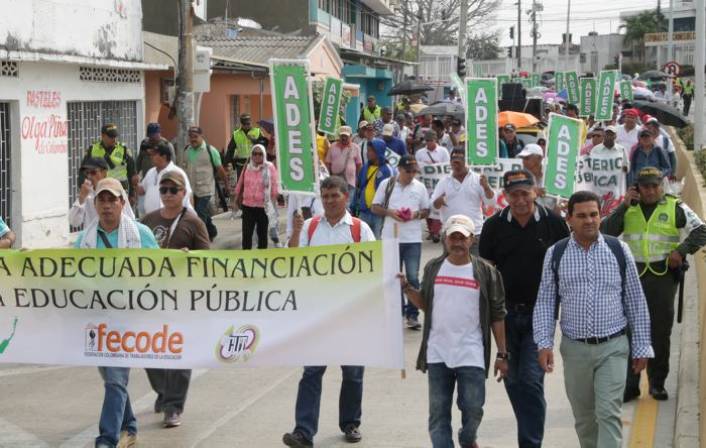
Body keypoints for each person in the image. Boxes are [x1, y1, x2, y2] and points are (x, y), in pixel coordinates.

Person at [533, 191, 654, 448]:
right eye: (582, 216)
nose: (589, 220)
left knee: (608, 413)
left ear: (601, 216)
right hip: (575, 350)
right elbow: (545, 301)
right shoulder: (556, 254)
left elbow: (635, 300)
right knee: (585, 420)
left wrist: (642, 346)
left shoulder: (618, 250)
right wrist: (544, 343)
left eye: (594, 214)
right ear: (569, 219)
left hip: (613, 348)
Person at [479, 169, 569, 448]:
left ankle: (530, 443)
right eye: (514, 194)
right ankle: (529, 429)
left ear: (535, 192)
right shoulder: (493, 226)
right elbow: (486, 270)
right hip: (504, 316)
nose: (520, 200)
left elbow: (565, 265)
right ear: (506, 196)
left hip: (540, 314)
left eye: (525, 193)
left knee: (530, 381)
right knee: (513, 380)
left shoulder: (554, 223)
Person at [283, 176, 375, 448]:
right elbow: (292, 261)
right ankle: (303, 431)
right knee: (311, 372)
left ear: (345, 197)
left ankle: (350, 423)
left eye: (334, 195)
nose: (330, 201)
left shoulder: (360, 230)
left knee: (353, 373)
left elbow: (373, 267)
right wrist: (296, 233)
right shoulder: (310, 228)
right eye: (325, 196)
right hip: (318, 314)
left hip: (351, 315)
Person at [401, 214, 508, 448]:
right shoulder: (433, 268)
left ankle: (468, 438)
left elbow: (497, 315)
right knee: (438, 414)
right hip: (438, 352)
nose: (458, 242)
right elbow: (426, 304)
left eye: (463, 237)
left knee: (473, 408)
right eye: (453, 237)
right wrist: (407, 288)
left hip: (471, 351)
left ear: (472, 240)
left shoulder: (486, 272)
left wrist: (501, 354)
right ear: (445, 240)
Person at [601, 167, 706, 401]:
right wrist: (624, 206)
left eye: (654, 186)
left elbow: (702, 231)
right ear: (637, 187)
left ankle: (657, 383)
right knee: (629, 331)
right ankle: (631, 385)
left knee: (660, 332)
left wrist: (681, 250)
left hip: (662, 276)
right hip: (633, 276)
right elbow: (605, 232)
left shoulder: (675, 206)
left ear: (662, 186)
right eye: (645, 186)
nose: (650, 191)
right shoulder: (629, 207)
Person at [74, 178, 159, 448]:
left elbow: (163, 268)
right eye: (102, 199)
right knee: (113, 380)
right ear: (95, 203)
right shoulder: (84, 239)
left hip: (128, 319)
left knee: (115, 379)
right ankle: (129, 426)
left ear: (123, 202)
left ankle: (107, 439)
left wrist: (181, 258)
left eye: (113, 199)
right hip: (97, 320)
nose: (107, 205)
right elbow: (70, 274)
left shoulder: (140, 234)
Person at [141, 171, 209, 429]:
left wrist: (188, 257)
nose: (168, 194)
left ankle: (173, 406)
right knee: (148, 349)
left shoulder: (193, 222)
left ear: (184, 193)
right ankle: (162, 391)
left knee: (181, 352)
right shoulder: (148, 220)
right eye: (163, 190)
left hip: (183, 298)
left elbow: (207, 259)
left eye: (173, 190)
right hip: (152, 297)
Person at [371, 155, 430, 330]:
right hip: (391, 237)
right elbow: (375, 207)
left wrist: (414, 215)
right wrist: (391, 212)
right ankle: (396, 312)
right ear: (400, 169)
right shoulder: (387, 184)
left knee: (412, 276)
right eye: (408, 171)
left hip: (412, 238)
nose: (411, 174)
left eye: (414, 171)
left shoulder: (419, 187)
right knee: (392, 276)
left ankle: (413, 314)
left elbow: (426, 210)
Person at [431, 149, 495, 249]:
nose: (456, 161)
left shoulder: (478, 179)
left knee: (475, 264)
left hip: (474, 233)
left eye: (459, 158)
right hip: (450, 233)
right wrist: (439, 201)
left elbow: (491, 202)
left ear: (466, 160)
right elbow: (433, 207)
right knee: (452, 264)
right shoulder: (443, 182)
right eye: (453, 158)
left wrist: (486, 188)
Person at [184, 126, 229, 241]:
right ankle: (212, 231)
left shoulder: (210, 151)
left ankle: (200, 239)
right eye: (190, 137)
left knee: (199, 213)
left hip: (206, 189)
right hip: (192, 189)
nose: (193, 139)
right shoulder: (187, 151)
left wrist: (227, 185)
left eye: (195, 137)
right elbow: (184, 169)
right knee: (201, 212)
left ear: (201, 136)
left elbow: (220, 169)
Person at [233, 144, 279, 250]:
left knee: (262, 234)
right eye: (254, 154)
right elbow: (240, 183)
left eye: (260, 154)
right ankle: (247, 258)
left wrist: (273, 202)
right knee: (247, 234)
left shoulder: (269, 167)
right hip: (247, 206)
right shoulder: (247, 167)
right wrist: (235, 199)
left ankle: (261, 258)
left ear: (264, 155)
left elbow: (275, 185)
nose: (257, 156)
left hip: (263, 207)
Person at [70, 158, 135, 228]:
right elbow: (74, 222)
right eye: (87, 173)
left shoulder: (116, 190)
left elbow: (130, 217)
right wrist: (81, 199)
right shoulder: (86, 193)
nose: (89, 176)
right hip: (93, 237)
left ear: (104, 173)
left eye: (93, 172)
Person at [82, 124, 139, 200]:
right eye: (111, 137)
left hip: (119, 190)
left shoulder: (124, 150)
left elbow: (132, 173)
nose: (114, 139)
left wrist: (132, 193)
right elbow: (84, 172)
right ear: (103, 136)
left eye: (115, 136)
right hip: (99, 190)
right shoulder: (92, 149)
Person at [138, 141, 193, 216]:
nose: (151, 157)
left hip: (172, 218)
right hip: (151, 219)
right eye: (150, 155)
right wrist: (135, 183)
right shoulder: (151, 172)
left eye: (154, 155)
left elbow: (189, 196)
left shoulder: (177, 172)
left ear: (164, 157)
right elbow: (142, 190)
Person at [416, 130, 450, 243]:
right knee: (427, 207)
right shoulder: (420, 153)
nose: (429, 143)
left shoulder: (443, 152)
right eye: (427, 140)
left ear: (436, 140)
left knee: (437, 207)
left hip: (439, 185)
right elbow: (417, 168)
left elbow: (447, 167)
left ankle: (436, 232)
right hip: (426, 185)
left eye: (431, 140)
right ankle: (431, 231)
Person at [356, 139, 393, 238]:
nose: (368, 153)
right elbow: (359, 187)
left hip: (379, 214)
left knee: (377, 242)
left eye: (370, 151)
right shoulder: (364, 168)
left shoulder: (387, 170)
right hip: (364, 212)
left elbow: (391, 192)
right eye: (367, 150)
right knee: (362, 241)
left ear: (378, 152)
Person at [326, 126, 362, 205]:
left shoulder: (355, 147)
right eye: (342, 136)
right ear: (339, 136)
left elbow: (359, 164)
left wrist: (357, 178)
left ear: (351, 136)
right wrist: (329, 177)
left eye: (346, 136)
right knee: (336, 202)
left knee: (347, 205)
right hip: (336, 181)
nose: (344, 138)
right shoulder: (333, 146)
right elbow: (328, 163)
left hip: (350, 182)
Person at [225, 113, 264, 179]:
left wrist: (254, 140)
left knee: (255, 185)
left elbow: (263, 145)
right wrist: (227, 163)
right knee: (241, 186)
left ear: (251, 122)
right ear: (241, 123)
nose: (246, 126)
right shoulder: (236, 134)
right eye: (244, 124)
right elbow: (230, 150)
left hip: (255, 164)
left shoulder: (257, 131)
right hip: (241, 165)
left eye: (248, 124)